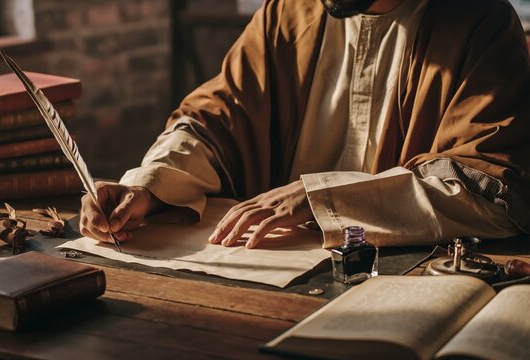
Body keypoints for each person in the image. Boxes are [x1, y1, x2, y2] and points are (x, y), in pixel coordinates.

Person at [80, 0, 530, 249]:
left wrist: (322, 196)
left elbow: (491, 191)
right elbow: (214, 120)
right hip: (268, 274)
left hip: (397, 279)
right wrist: (147, 186)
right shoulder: (289, 12)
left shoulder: (480, 22)